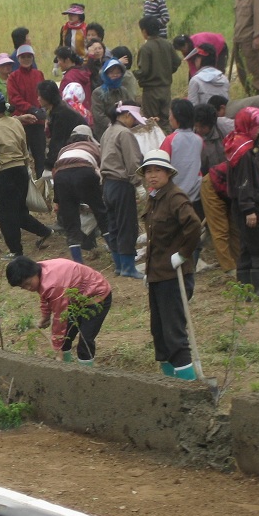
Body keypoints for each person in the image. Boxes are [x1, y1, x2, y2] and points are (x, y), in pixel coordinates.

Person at [139, 150, 202, 379]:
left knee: (174, 333)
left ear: (167, 173)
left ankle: (189, 386)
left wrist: (184, 254)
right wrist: (148, 271)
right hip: (157, 275)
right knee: (159, 332)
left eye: (157, 170)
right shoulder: (155, 198)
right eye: (148, 171)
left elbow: (194, 226)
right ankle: (168, 385)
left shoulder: (175, 197)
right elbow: (155, 238)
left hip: (174, 276)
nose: (152, 175)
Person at [0, 91, 54, 259]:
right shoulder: (15, 123)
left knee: (6, 215)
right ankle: (44, 231)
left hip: (5, 172)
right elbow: (24, 145)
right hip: (21, 170)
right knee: (20, 211)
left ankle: (16, 251)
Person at [6, 256, 112, 366]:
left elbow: (60, 318)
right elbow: (44, 294)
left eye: (28, 283)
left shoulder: (54, 284)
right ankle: (65, 370)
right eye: (23, 287)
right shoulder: (38, 271)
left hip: (96, 297)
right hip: (75, 299)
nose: (27, 288)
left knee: (85, 342)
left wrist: (57, 349)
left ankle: (86, 376)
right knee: (66, 338)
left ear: (34, 273)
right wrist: (45, 316)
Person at [221, 107, 259, 293]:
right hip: (249, 205)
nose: (258, 130)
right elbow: (245, 181)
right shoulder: (245, 152)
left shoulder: (235, 143)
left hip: (238, 204)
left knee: (247, 247)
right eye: (256, 125)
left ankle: (245, 288)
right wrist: (249, 209)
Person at [100, 102, 146, 278]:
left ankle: (119, 265)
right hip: (121, 184)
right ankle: (128, 267)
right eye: (134, 119)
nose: (134, 123)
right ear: (127, 115)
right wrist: (138, 184)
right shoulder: (125, 133)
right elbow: (133, 162)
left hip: (108, 185)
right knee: (127, 225)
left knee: (114, 225)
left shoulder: (108, 131)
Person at [52, 125, 109, 264]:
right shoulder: (94, 147)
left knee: (71, 223)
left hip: (62, 177)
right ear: (89, 137)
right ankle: (118, 258)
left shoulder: (63, 150)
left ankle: (79, 264)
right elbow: (101, 170)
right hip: (85, 172)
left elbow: (57, 171)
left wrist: (57, 201)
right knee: (101, 213)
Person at [195, 103, 239, 276]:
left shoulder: (227, 128)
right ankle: (229, 269)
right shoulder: (194, 138)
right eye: (196, 125)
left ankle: (240, 262)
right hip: (210, 184)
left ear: (212, 124)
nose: (198, 129)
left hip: (231, 182)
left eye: (203, 126)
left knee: (235, 224)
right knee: (219, 228)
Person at [132, 16, 181, 129]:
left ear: (144, 31)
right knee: (165, 120)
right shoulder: (167, 44)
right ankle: (166, 142)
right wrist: (167, 71)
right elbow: (177, 62)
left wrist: (133, 74)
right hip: (166, 88)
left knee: (151, 122)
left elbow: (143, 71)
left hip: (151, 91)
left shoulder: (146, 48)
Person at [7, 44, 47, 179]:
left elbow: (44, 94)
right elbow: (14, 98)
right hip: (22, 122)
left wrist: (41, 109)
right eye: (23, 57)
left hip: (38, 122)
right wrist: (30, 109)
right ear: (18, 58)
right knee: (21, 157)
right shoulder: (13, 77)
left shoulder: (39, 74)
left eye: (29, 56)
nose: (26, 59)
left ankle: (42, 185)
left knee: (40, 156)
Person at [160, 99, 204, 223]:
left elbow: (160, 166)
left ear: (177, 118)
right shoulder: (199, 140)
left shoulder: (170, 140)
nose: (169, 118)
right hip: (195, 193)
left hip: (173, 196)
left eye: (170, 114)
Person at [38, 80, 87, 176]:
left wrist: (49, 165)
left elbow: (57, 141)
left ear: (47, 96)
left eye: (40, 96)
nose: (38, 99)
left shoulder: (61, 114)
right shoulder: (56, 110)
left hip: (78, 152)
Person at [233, 0, 259, 95]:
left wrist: (257, 37)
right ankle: (251, 99)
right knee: (242, 75)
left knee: (254, 75)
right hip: (238, 41)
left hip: (249, 41)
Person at [91, 59, 133, 139]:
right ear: (106, 74)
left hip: (123, 132)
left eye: (118, 73)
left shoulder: (123, 91)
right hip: (104, 133)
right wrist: (115, 125)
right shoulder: (98, 93)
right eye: (111, 73)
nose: (115, 75)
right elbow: (99, 115)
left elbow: (131, 107)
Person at [55, 46, 91, 112]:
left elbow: (61, 99)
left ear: (67, 60)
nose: (58, 63)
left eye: (59, 60)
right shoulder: (83, 71)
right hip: (86, 112)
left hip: (74, 113)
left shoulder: (69, 77)